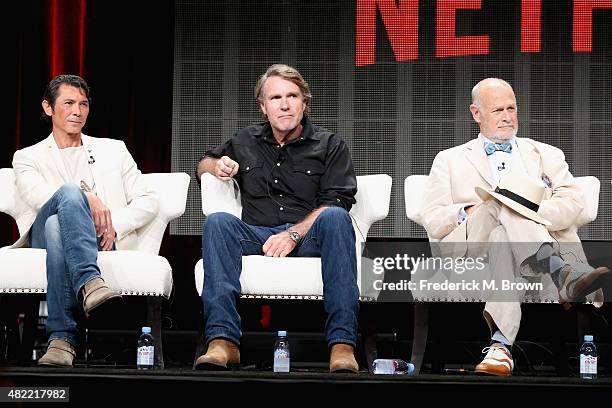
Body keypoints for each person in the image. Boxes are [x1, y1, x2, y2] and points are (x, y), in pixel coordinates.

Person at [420, 78, 609, 377]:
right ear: (476, 113)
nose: (507, 116)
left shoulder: (547, 154)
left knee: (503, 233)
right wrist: (473, 210)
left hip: (513, 243)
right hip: (470, 243)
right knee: (498, 202)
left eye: (511, 108)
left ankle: (500, 346)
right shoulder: (449, 160)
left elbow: (574, 204)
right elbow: (432, 216)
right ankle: (563, 273)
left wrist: (530, 211)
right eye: (497, 110)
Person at [195, 64, 360, 373]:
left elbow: (339, 199)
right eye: (276, 98)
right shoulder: (245, 140)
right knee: (218, 222)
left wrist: (294, 234)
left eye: (292, 96)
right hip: (257, 235)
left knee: (337, 218)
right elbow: (202, 163)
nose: (284, 104)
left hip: (309, 237)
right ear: (263, 106)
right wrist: (215, 166)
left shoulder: (330, 144)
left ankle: (342, 344)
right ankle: (222, 342)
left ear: (304, 102)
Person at [11, 74, 158, 367]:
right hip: (40, 236)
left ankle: (62, 342)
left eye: (83, 104)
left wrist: (112, 223)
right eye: (68, 103)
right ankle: (90, 281)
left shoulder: (113, 150)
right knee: (62, 203)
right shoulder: (28, 157)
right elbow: (39, 197)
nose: (77, 111)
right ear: (48, 108)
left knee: (57, 228)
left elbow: (149, 200)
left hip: (99, 238)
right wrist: (84, 196)